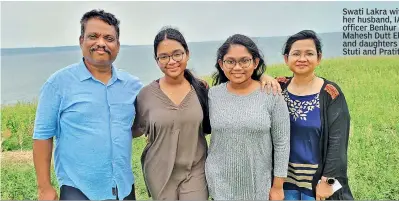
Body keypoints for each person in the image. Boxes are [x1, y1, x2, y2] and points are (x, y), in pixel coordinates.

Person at [131, 27, 281, 200]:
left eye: (177, 54)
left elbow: (235, 90)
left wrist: (262, 77)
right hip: (159, 172)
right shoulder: (146, 94)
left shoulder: (201, 89)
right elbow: (134, 129)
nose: (171, 61)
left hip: (196, 170)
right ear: (156, 60)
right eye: (163, 56)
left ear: (187, 54)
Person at [32, 9, 142, 200]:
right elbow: (42, 135)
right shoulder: (58, 84)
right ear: (81, 40)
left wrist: (192, 84)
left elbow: (155, 106)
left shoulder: (132, 85)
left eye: (109, 38)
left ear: (117, 44)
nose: (101, 43)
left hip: (123, 187)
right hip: (79, 189)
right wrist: (44, 187)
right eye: (93, 36)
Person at [204, 34, 291, 200]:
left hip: (258, 186)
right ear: (221, 64)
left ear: (255, 62)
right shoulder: (212, 95)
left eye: (244, 60)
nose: (237, 67)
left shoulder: (271, 94)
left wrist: (278, 186)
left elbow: (282, 142)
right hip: (220, 185)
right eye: (230, 61)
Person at [275, 30, 353, 200]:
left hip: (316, 184)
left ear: (319, 58)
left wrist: (328, 181)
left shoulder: (330, 93)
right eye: (296, 53)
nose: (302, 58)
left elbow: (337, 141)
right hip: (283, 183)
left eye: (309, 53)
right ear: (286, 58)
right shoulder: (278, 87)